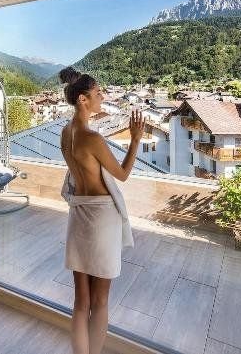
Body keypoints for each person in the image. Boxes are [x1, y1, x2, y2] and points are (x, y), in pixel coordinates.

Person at [58, 67, 144, 354]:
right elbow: (122, 174)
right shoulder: (92, 138)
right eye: (98, 93)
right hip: (101, 218)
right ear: (82, 99)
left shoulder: (66, 133)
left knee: (81, 303)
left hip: (79, 215)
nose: (103, 97)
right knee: (100, 301)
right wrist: (135, 139)